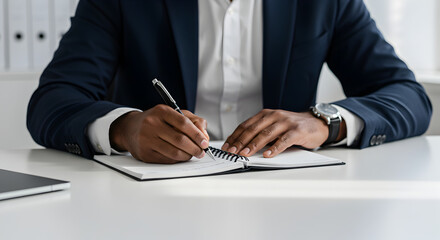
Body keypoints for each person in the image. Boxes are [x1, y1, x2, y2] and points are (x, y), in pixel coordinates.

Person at [27, 0, 432, 164]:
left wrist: (325, 122)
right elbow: (52, 101)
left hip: (291, 202)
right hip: (149, 202)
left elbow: (409, 97)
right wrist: (124, 127)